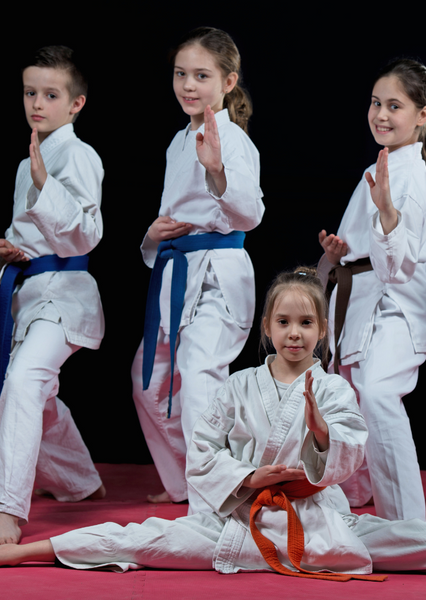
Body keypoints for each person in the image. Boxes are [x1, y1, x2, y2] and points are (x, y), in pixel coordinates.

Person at [0, 267, 426, 584]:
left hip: (320, 521)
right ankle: (30, 550)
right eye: (285, 321)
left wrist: (324, 439)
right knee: (139, 538)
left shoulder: (330, 388)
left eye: (307, 323)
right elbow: (202, 453)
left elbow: (352, 453)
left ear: (321, 332)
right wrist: (251, 476)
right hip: (239, 521)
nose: (296, 333)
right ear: (267, 328)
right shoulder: (239, 385)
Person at [130, 27, 264, 509]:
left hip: (217, 275)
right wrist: (153, 235)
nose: (188, 85)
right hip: (177, 270)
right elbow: (173, 220)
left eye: (201, 76)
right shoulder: (178, 140)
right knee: (148, 382)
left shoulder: (231, 140)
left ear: (228, 82)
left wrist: (217, 170)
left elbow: (249, 214)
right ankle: (187, 484)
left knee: (198, 373)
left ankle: (211, 504)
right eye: (181, 74)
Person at [317, 59, 426, 521]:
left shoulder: (412, 177)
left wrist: (387, 215)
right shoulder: (377, 167)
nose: (381, 115)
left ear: (422, 115)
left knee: (379, 392)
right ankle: (354, 497)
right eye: (375, 103)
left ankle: (408, 522)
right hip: (361, 299)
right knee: (349, 395)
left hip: (397, 303)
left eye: (394, 106)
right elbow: (363, 253)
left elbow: (397, 263)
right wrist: (336, 254)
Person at [0, 46, 105, 545]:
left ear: (76, 103)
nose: (37, 103)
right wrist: (11, 253)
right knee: (35, 396)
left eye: (51, 94)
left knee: (22, 384)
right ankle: (80, 483)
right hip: (31, 291)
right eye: (30, 92)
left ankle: (6, 511)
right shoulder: (29, 162)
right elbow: (35, 238)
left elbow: (84, 236)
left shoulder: (78, 155)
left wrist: (45, 186)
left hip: (65, 294)